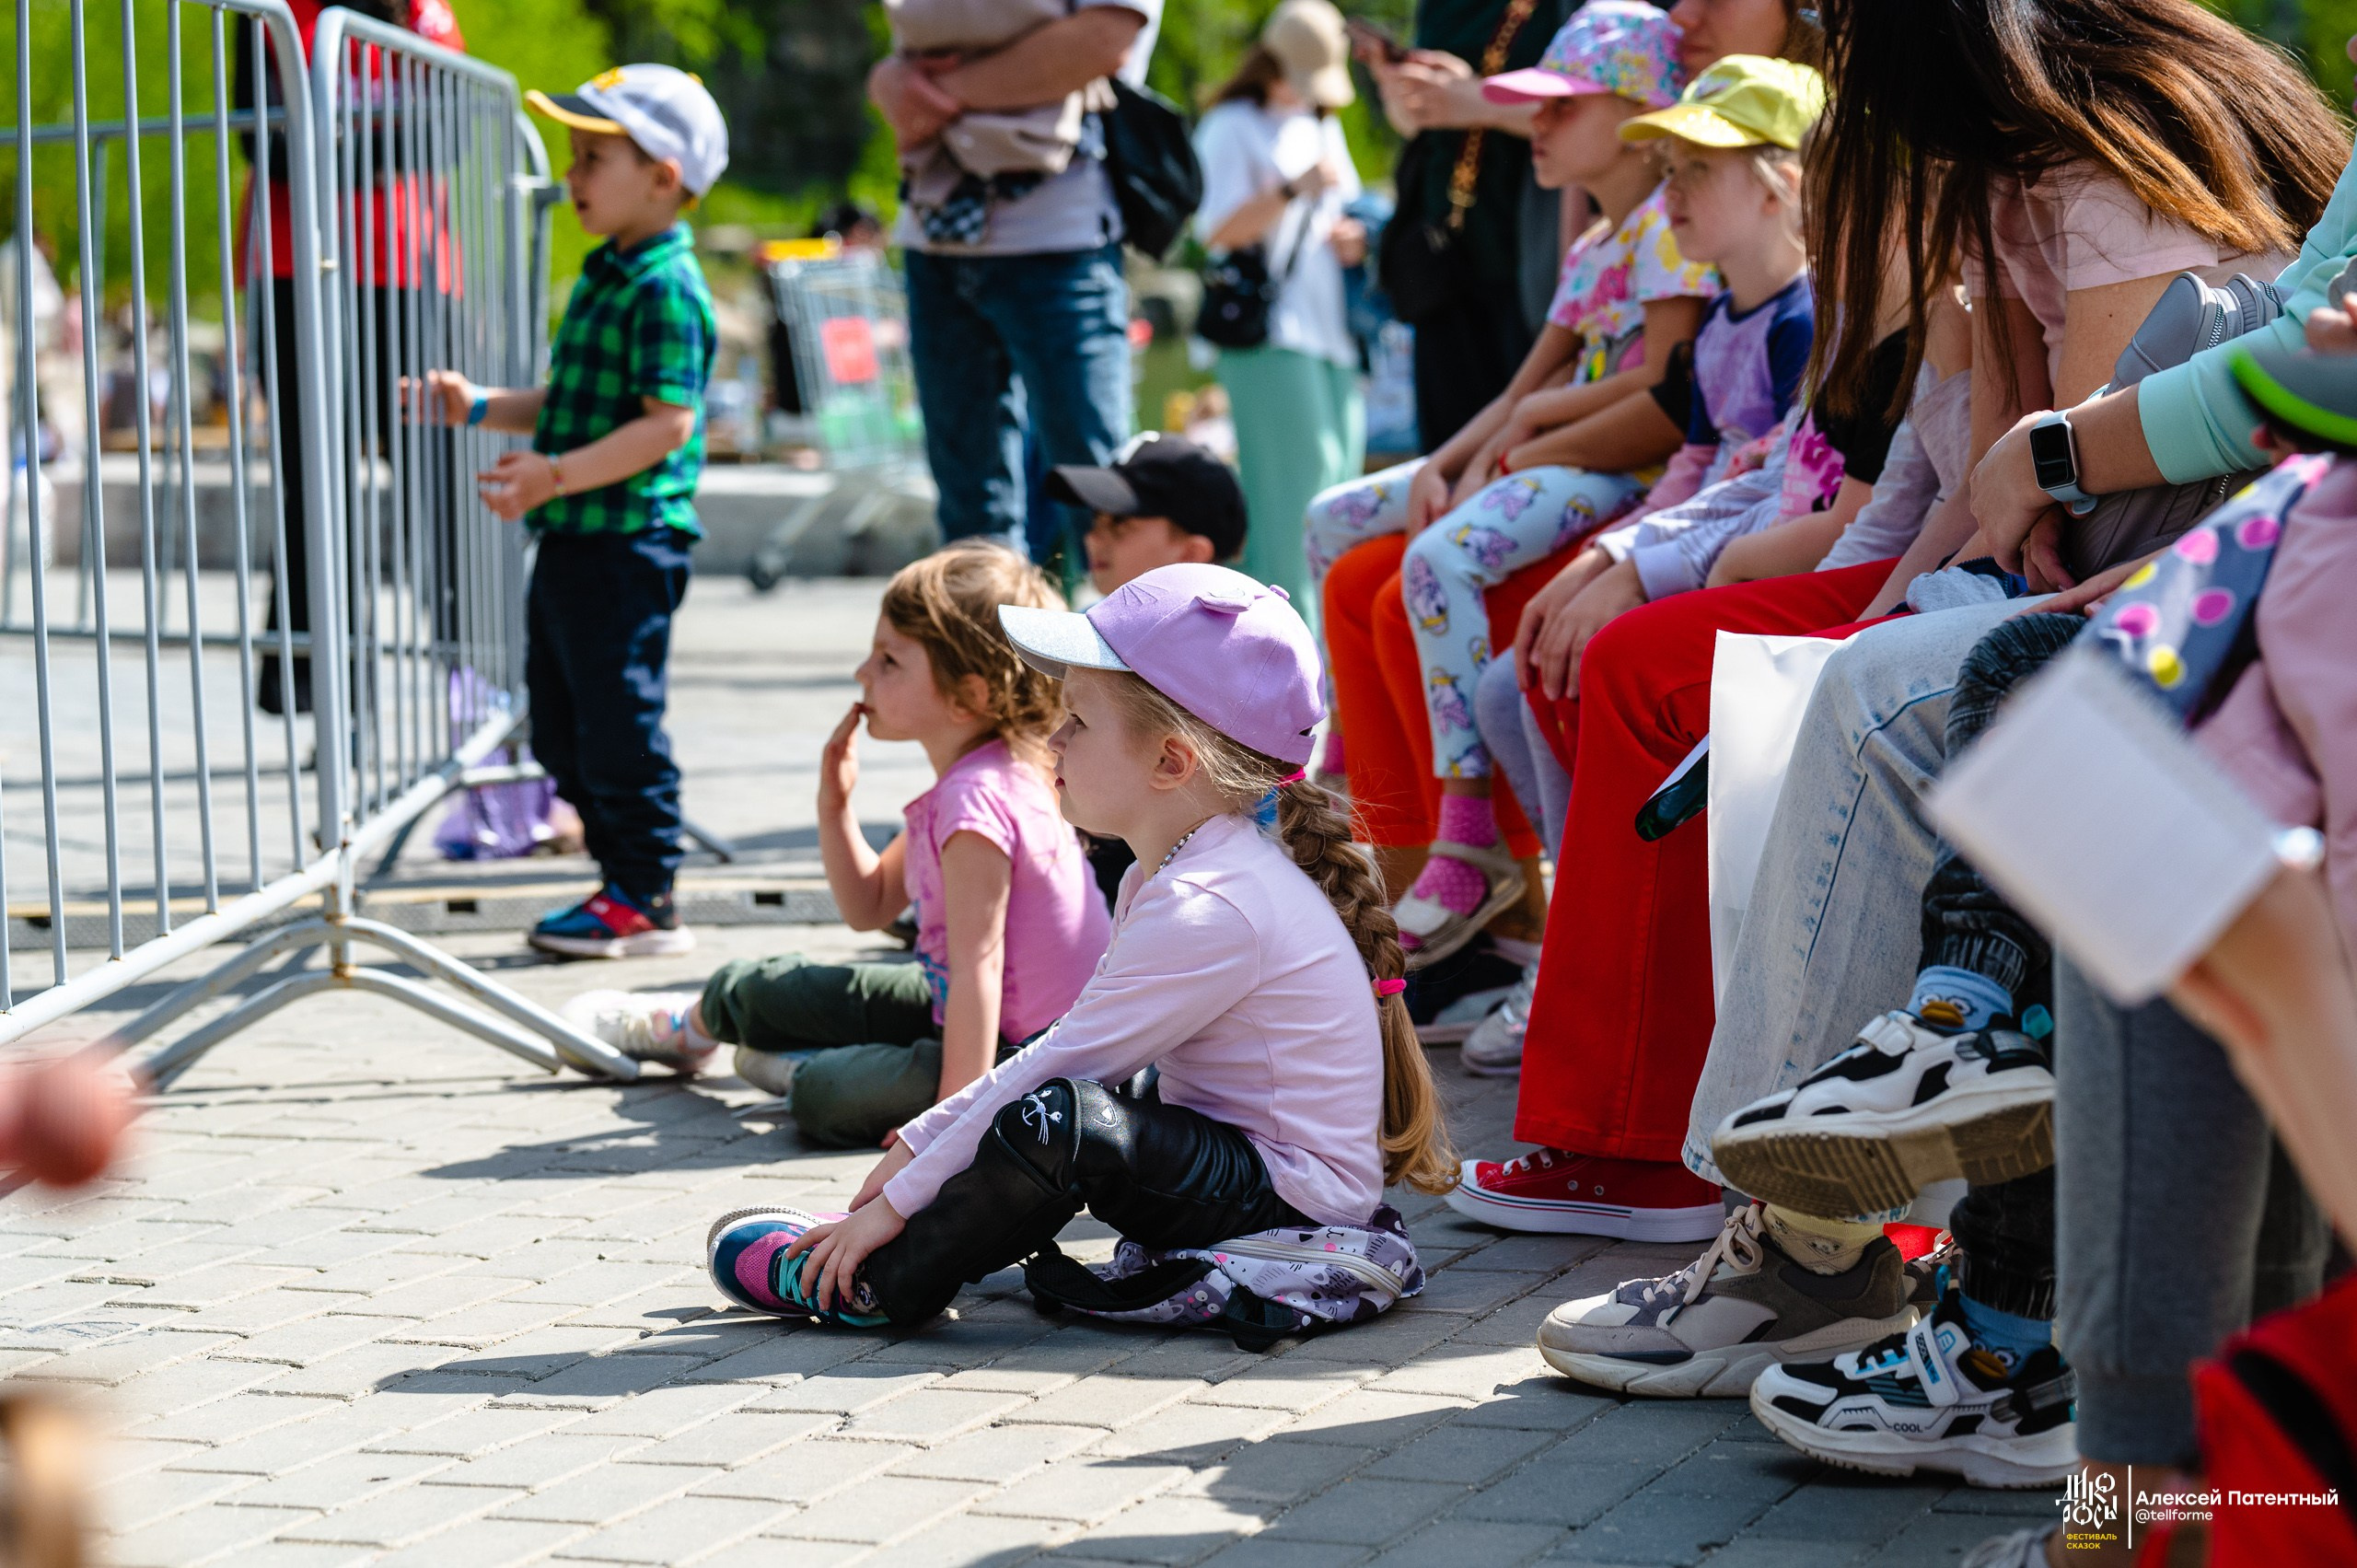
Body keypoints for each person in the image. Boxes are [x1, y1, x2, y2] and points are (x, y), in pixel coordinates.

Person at [702, 564, 1456, 1328]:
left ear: (1171, 761)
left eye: (1079, 721)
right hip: (1253, 1170)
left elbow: (1059, 1062)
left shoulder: (1211, 903)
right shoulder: (1178, 870)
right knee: (1068, 1110)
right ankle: (899, 1246)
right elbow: (1062, 1053)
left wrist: (898, 1193)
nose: (1053, 738)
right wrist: (914, 1158)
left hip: (1289, 1205)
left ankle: (879, 1281)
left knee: (1064, 1120)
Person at [1308, 2, 1716, 947]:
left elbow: (1662, 393)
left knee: (1436, 562)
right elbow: (1527, 382)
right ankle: (1339, 746)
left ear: (1636, 113)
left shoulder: (1664, 230)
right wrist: (1451, 458)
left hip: (1621, 473)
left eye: (1560, 108)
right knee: (1336, 519)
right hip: (1553, 453)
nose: (1535, 126)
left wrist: (1527, 434)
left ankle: (1467, 829)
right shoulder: (1594, 243)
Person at [566, 542, 1113, 1149]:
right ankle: (689, 1028)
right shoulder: (975, 777)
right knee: (757, 985)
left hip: (1023, 1050)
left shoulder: (978, 799)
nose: (862, 673)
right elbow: (869, 905)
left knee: (827, 1094)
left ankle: (803, 1065)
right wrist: (834, 807)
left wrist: (949, 1127)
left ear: (971, 695)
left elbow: (979, 972)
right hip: (953, 1001)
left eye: (889, 661)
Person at [417, 65, 728, 958]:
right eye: (575, 156)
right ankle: (616, 876)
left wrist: (554, 474)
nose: (574, 175)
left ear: (664, 176)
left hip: (628, 544)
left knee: (616, 718)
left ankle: (645, 890)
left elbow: (665, 425)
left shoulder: (668, 287)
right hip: (577, 535)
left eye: (594, 158)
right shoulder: (612, 269)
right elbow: (576, 400)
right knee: (558, 721)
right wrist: (480, 405)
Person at [867, 0, 1160, 550]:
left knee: (1101, 509)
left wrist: (938, 93)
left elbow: (1103, 40)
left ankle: (1114, 637)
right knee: (970, 521)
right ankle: (985, 638)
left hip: (1060, 241)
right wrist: (892, 81)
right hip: (937, 233)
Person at [1192, 0, 1366, 610]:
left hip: (1333, 331)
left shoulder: (1320, 122)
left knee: (1337, 487)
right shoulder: (1229, 126)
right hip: (1268, 333)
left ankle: (1319, 648)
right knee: (1294, 494)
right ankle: (1287, 651)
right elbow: (1215, 230)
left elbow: (1346, 205)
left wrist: (1355, 234)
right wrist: (1291, 190)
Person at [1049, 434, 1249, 596]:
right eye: (1096, 519)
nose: (1091, 537)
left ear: (1191, 555)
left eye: (1118, 523)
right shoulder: (1084, 622)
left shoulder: (1217, 645)